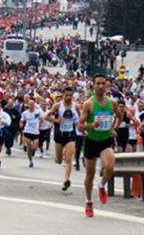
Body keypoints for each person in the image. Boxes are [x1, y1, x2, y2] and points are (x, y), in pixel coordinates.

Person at [78, 74, 121, 218]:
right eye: (98, 83)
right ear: (93, 85)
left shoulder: (112, 103)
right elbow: (79, 126)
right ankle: (89, 202)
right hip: (91, 140)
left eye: (103, 83)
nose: (101, 86)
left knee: (109, 166)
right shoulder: (88, 104)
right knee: (89, 175)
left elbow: (120, 116)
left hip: (105, 140)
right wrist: (91, 125)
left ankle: (102, 185)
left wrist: (114, 127)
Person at [46, 87, 79, 191]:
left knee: (68, 159)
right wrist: (56, 120)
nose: (68, 97)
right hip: (59, 135)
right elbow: (46, 116)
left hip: (70, 135)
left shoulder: (76, 106)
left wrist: (82, 125)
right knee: (60, 160)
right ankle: (57, 158)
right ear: (63, 95)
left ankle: (66, 180)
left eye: (70, 95)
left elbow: (82, 117)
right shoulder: (57, 105)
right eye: (66, 95)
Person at [20, 99, 43, 168]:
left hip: (35, 132)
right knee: (29, 147)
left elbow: (41, 119)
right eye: (30, 104)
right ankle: (30, 161)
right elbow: (21, 121)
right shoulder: (25, 113)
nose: (31, 106)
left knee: (34, 147)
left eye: (33, 104)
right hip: (27, 131)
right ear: (28, 105)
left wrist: (40, 125)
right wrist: (21, 124)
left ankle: (33, 151)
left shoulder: (38, 112)